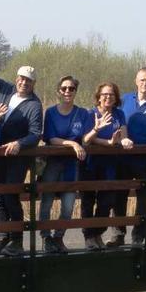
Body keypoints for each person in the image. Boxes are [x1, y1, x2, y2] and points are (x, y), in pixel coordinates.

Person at [0, 45, 43, 257]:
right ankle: (2, 238)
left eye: (28, 80)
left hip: (17, 158)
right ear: (17, 79)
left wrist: (19, 144)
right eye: (21, 78)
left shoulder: (34, 105)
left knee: (11, 197)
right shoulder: (6, 90)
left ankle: (17, 240)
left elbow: (35, 134)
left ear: (33, 84)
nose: (24, 83)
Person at [110, 67, 146, 247]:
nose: (145, 84)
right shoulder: (125, 99)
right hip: (123, 156)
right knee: (119, 196)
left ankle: (138, 236)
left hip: (144, 157)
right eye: (142, 80)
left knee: (143, 198)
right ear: (136, 81)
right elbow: (113, 119)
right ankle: (118, 235)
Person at [40, 76, 91, 254]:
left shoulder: (83, 113)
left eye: (71, 88)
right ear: (59, 91)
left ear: (76, 91)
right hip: (52, 164)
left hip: (72, 165)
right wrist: (73, 144)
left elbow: (86, 137)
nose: (67, 91)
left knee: (68, 205)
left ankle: (58, 237)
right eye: (64, 89)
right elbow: (51, 139)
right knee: (46, 202)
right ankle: (46, 238)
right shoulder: (51, 113)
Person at [80, 82, 131, 251]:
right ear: (99, 97)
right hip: (91, 163)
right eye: (104, 94)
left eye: (111, 94)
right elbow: (87, 139)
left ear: (116, 98)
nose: (108, 97)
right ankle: (89, 236)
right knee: (88, 200)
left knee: (107, 200)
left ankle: (97, 232)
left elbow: (123, 134)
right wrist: (107, 141)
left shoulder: (119, 114)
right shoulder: (90, 113)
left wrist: (124, 140)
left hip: (110, 164)